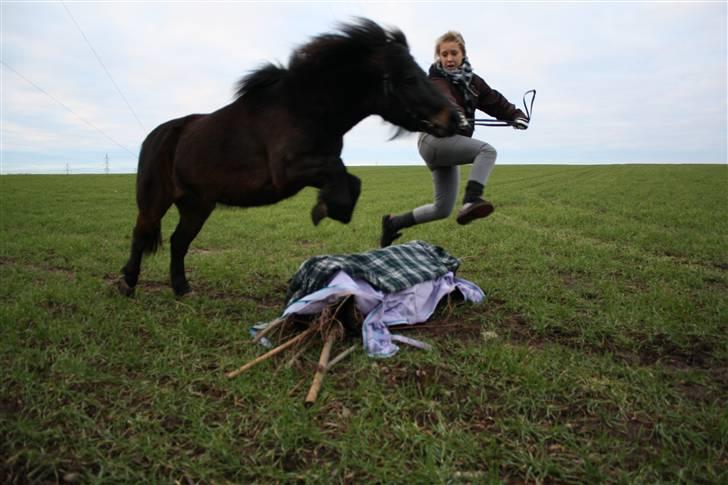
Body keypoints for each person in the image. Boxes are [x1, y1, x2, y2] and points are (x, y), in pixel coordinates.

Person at [380, 31, 528, 247]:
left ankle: (393, 224)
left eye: (453, 53)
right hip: (433, 140)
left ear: (463, 54)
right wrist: (456, 115)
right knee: (486, 151)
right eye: (444, 54)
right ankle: (471, 200)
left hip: (448, 146)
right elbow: (444, 98)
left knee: (442, 209)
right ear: (438, 57)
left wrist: (515, 116)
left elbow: (494, 101)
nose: (449, 58)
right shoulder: (435, 80)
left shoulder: (474, 83)